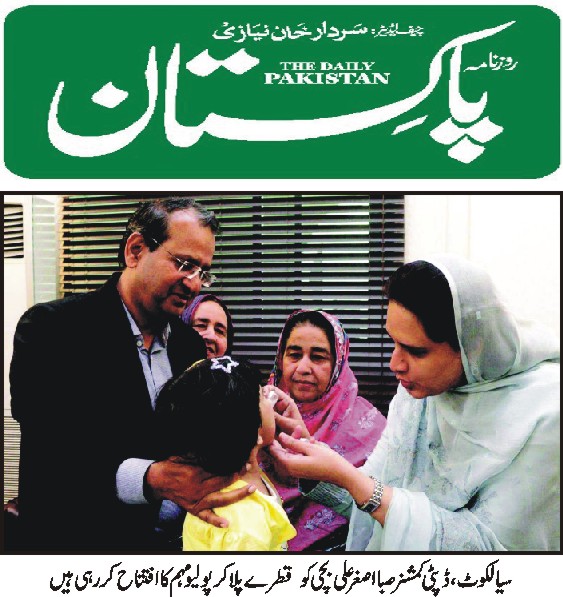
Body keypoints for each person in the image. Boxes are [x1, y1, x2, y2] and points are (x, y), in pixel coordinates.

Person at [9, 197, 253, 551]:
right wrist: (152, 479)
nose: (194, 284)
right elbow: (53, 458)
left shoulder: (188, 345)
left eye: (203, 271)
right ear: (136, 250)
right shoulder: (52, 329)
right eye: (185, 264)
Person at [270, 255, 560, 551]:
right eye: (393, 342)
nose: (395, 364)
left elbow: (491, 550)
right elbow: (373, 501)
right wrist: (315, 457)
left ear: (473, 345)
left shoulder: (546, 413)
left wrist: (353, 481)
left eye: (416, 351)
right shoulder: (419, 394)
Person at [261, 309, 387, 551]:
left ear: (338, 363)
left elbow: (381, 515)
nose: (303, 367)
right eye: (294, 355)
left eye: (318, 357)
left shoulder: (369, 427)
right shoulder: (260, 413)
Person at [155, 356, 296, 551]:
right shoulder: (244, 528)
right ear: (251, 430)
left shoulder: (246, 474)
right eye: (262, 396)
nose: (271, 397)